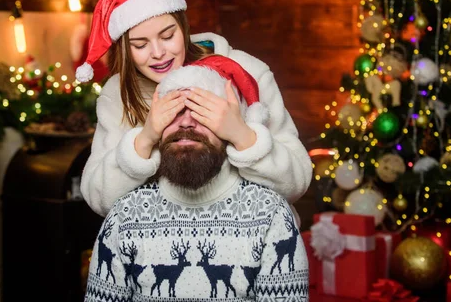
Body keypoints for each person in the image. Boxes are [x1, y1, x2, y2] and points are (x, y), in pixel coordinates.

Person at [76, 0, 312, 221]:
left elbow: (297, 184)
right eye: (140, 45)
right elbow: (97, 198)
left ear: (183, 27)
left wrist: (242, 136)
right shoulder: (117, 95)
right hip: (160, 248)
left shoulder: (249, 73)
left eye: (168, 36)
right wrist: (145, 139)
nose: (158, 53)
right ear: (125, 49)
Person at [84, 59, 309, 299]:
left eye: (203, 112)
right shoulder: (124, 216)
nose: (187, 121)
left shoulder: (271, 215)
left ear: (229, 126)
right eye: (174, 111)